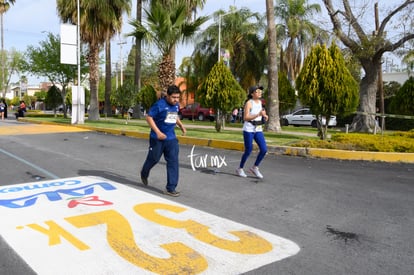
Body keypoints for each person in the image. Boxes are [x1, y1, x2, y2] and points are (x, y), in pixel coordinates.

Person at [140, 85, 186, 197]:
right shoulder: (159, 105)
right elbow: (149, 117)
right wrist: (158, 132)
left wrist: (181, 125)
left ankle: (171, 188)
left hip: (171, 139)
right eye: (174, 97)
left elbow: (174, 116)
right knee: (154, 159)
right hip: (157, 139)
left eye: (177, 97)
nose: (176, 100)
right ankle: (144, 173)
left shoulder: (175, 105)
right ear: (167, 96)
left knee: (173, 162)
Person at [236, 85, 268, 179]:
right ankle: (240, 168)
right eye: (257, 91)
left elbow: (263, 111)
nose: (260, 93)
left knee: (264, 149)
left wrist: (265, 116)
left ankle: (255, 167)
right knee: (248, 150)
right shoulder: (249, 103)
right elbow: (245, 117)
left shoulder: (260, 102)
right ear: (252, 94)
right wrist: (257, 114)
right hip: (248, 129)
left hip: (258, 129)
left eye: (260, 92)